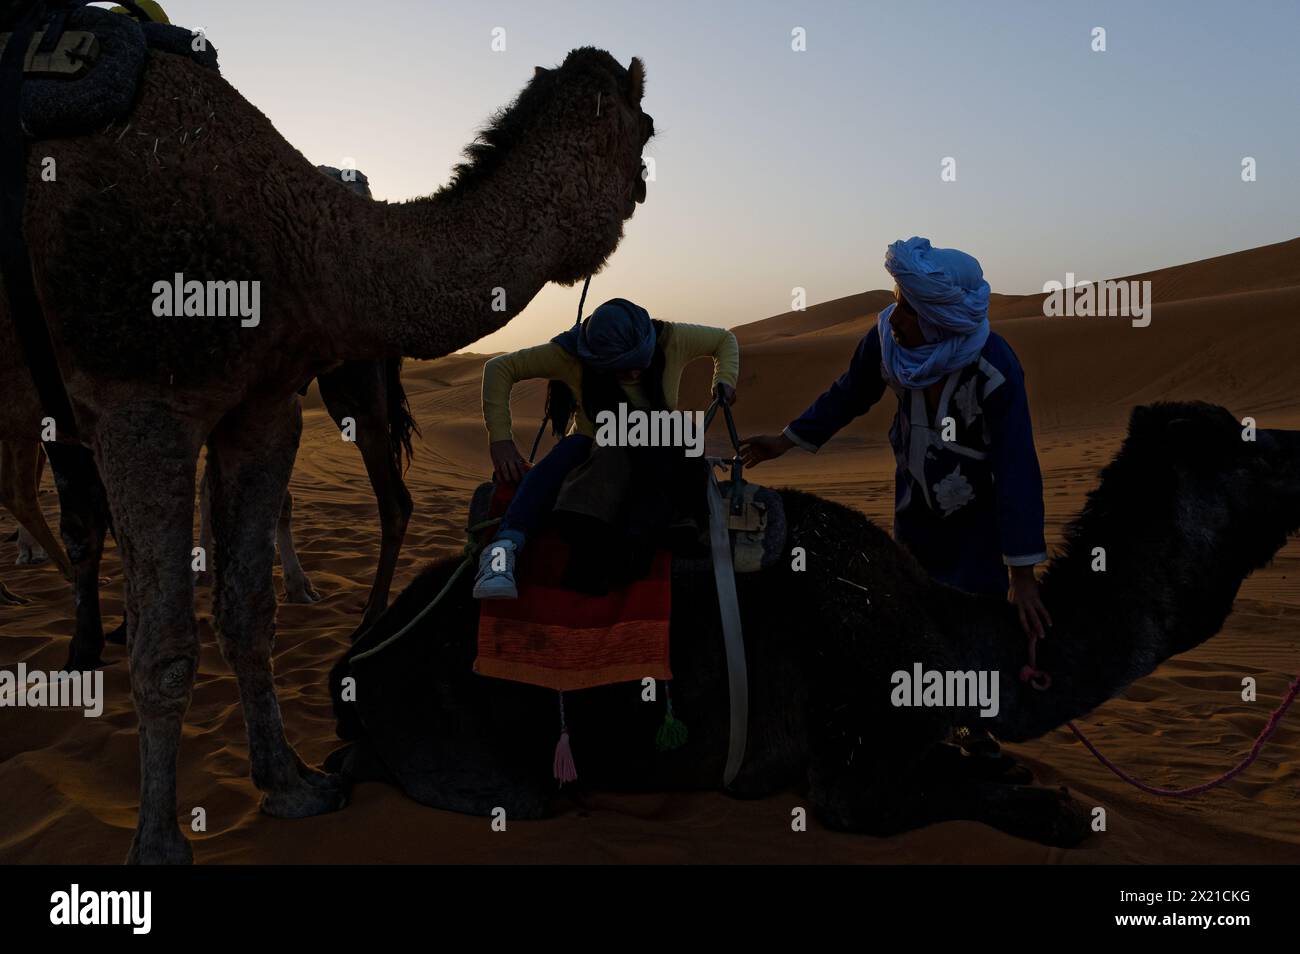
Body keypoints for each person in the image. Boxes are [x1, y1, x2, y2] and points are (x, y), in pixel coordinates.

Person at [741, 237, 1052, 640]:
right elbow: (848, 393)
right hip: (912, 515)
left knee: (975, 634)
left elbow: (1017, 468)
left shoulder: (994, 368)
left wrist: (1023, 577)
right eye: (897, 301)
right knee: (913, 622)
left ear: (940, 319)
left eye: (909, 309)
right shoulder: (888, 346)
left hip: (976, 530)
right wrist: (784, 441)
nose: (893, 318)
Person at [473, 298, 739, 599]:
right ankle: (503, 550)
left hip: (656, 438)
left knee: (682, 441)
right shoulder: (570, 354)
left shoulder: (671, 338)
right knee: (565, 455)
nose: (634, 375)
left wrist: (725, 379)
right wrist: (501, 441)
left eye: (640, 364)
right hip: (593, 441)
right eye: (622, 370)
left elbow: (724, 339)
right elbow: (499, 368)